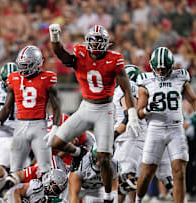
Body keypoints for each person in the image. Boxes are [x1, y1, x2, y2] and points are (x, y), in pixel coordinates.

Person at [48, 23, 139, 203]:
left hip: (105, 109)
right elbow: (62, 55)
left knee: (104, 157)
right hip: (86, 107)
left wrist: (133, 114)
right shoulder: (81, 54)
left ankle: (108, 195)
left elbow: (126, 89)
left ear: (106, 43)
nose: (96, 45)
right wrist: (55, 39)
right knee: (56, 142)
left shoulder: (114, 59)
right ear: (88, 41)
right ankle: (77, 153)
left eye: (99, 41)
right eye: (93, 41)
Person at [135, 47, 196, 203]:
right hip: (155, 129)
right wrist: (149, 108)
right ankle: (137, 199)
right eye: (158, 68)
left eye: (164, 68)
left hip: (176, 129)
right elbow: (139, 113)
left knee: (179, 172)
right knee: (147, 173)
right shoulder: (145, 80)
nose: (161, 71)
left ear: (171, 66)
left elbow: (194, 101)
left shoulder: (180, 77)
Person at [0, 45, 60, 174]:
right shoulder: (13, 78)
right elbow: (7, 107)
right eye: (21, 65)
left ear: (37, 64)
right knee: (15, 168)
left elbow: (56, 107)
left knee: (46, 168)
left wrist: (55, 127)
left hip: (39, 125)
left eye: (26, 65)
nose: (22, 69)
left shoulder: (47, 78)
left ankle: (45, 193)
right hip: (20, 125)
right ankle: (14, 193)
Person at [113, 65, 173, 203]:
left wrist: (115, 134)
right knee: (129, 179)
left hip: (129, 137)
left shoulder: (129, 88)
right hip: (145, 135)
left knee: (124, 178)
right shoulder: (146, 89)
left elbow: (129, 112)